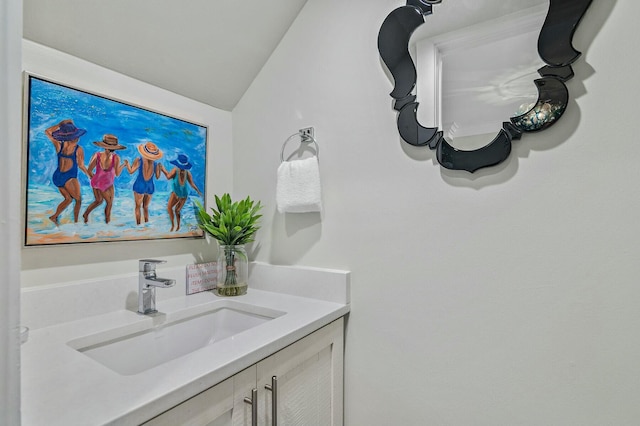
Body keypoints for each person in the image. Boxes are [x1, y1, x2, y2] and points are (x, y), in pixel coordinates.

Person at [44, 119, 90, 225]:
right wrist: (89, 175)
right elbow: (81, 165)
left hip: (57, 176)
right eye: (77, 136)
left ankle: (54, 216)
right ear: (74, 137)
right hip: (69, 177)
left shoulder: (59, 145)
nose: (78, 138)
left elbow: (47, 131)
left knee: (68, 199)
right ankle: (76, 222)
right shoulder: (78, 149)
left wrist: (60, 125)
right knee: (78, 200)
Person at [82, 135, 127, 224]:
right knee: (109, 203)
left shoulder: (97, 155)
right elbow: (117, 173)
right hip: (107, 183)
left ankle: (86, 214)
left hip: (97, 181)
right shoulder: (116, 157)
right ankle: (107, 223)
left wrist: (94, 179)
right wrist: (124, 165)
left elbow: (89, 170)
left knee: (98, 200)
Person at [124, 142, 165, 225]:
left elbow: (131, 171)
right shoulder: (155, 164)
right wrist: (159, 169)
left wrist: (127, 164)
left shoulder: (139, 160)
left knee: (138, 207)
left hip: (140, 185)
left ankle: (138, 225)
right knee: (145, 207)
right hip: (150, 186)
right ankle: (146, 225)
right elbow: (157, 177)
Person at [162, 154, 203, 231]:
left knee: (174, 209)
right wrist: (198, 191)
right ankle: (174, 226)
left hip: (181, 194)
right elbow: (192, 184)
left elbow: (168, 177)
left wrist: (163, 169)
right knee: (172, 209)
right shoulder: (182, 172)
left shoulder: (180, 171)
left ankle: (176, 226)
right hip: (179, 194)